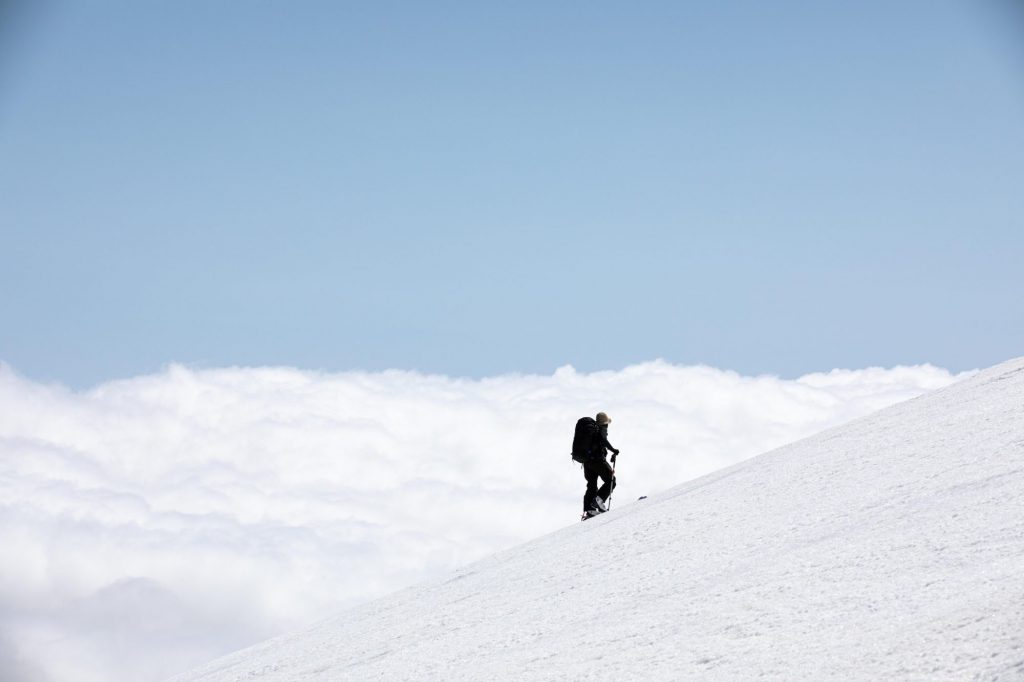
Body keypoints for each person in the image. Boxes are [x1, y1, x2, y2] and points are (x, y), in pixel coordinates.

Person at [582, 412, 620, 516]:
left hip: (586, 462)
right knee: (611, 480)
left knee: (592, 485)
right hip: (597, 460)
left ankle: (589, 510)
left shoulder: (591, 431)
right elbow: (603, 441)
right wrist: (613, 450)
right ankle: (598, 500)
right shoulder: (599, 430)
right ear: (604, 423)